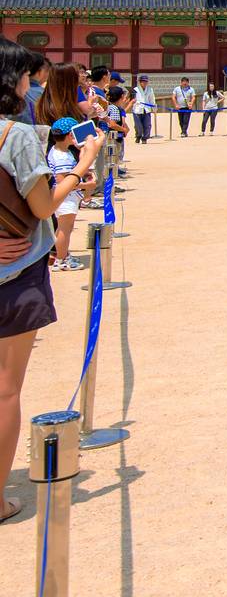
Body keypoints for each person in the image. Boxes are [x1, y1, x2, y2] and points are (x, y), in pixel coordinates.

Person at [0, 37, 106, 524]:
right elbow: (41, 206)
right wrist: (84, 165)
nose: (31, 86)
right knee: (5, 388)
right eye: (26, 76)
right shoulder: (17, 136)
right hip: (14, 269)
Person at [45, 118, 93, 271]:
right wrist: (87, 185)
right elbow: (63, 181)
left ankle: (63, 255)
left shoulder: (59, 151)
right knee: (65, 229)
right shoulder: (62, 156)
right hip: (66, 199)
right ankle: (61, 259)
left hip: (66, 198)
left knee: (64, 228)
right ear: (69, 136)